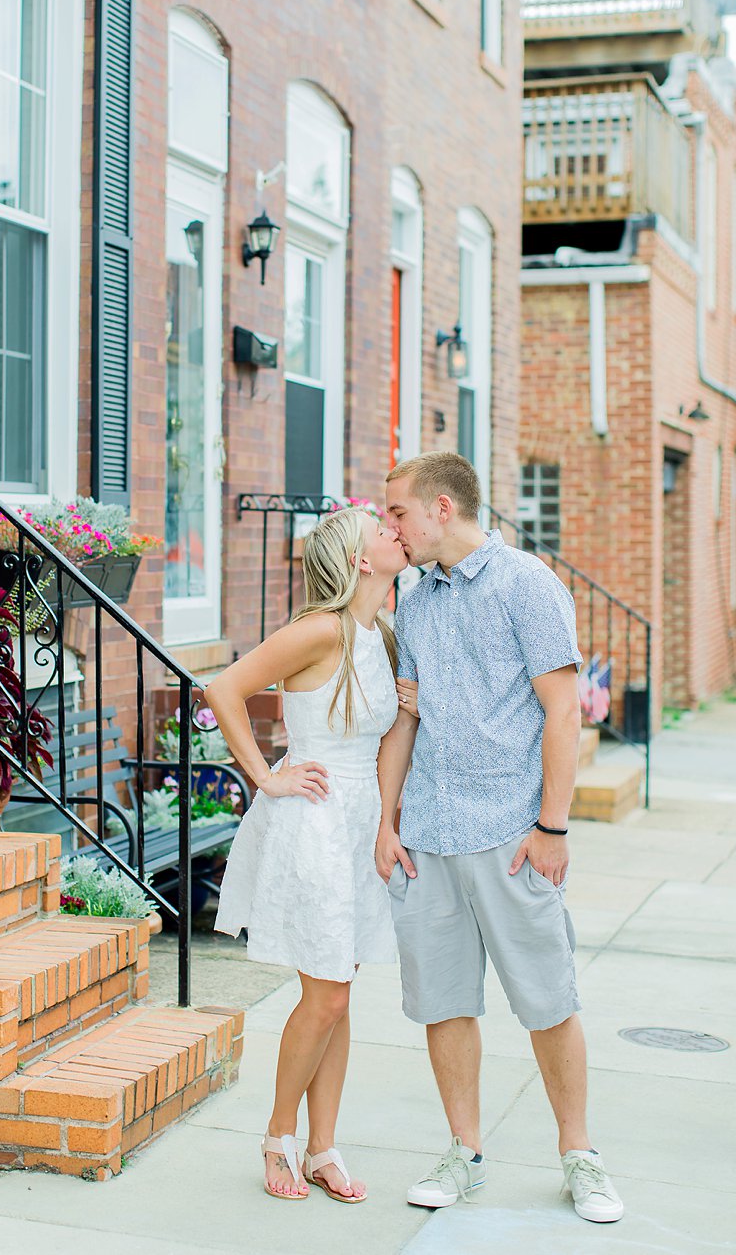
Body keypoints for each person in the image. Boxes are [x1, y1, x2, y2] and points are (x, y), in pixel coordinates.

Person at [375, 451, 623, 1224]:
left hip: (512, 834)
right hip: (429, 836)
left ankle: (579, 1154)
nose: (393, 528)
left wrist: (553, 825)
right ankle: (464, 1151)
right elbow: (406, 720)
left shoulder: (527, 585)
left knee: (548, 1000)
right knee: (445, 1003)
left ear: (442, 508)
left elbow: (563, 711)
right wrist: (387, 822)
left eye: (399, 514)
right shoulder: (413, 606)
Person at [206, 505, 409, 1203]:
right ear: (358, 558)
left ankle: (324, 1147)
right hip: (314, 822)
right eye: (382, 529)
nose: (394, 533)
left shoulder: (377, 634)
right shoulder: (318, 630)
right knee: (325, 998)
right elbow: (223, 688)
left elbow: (385, 741)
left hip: (356, 825)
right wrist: (265, 773)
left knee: (338, 997)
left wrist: (386, 821)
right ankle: (278, 1138)